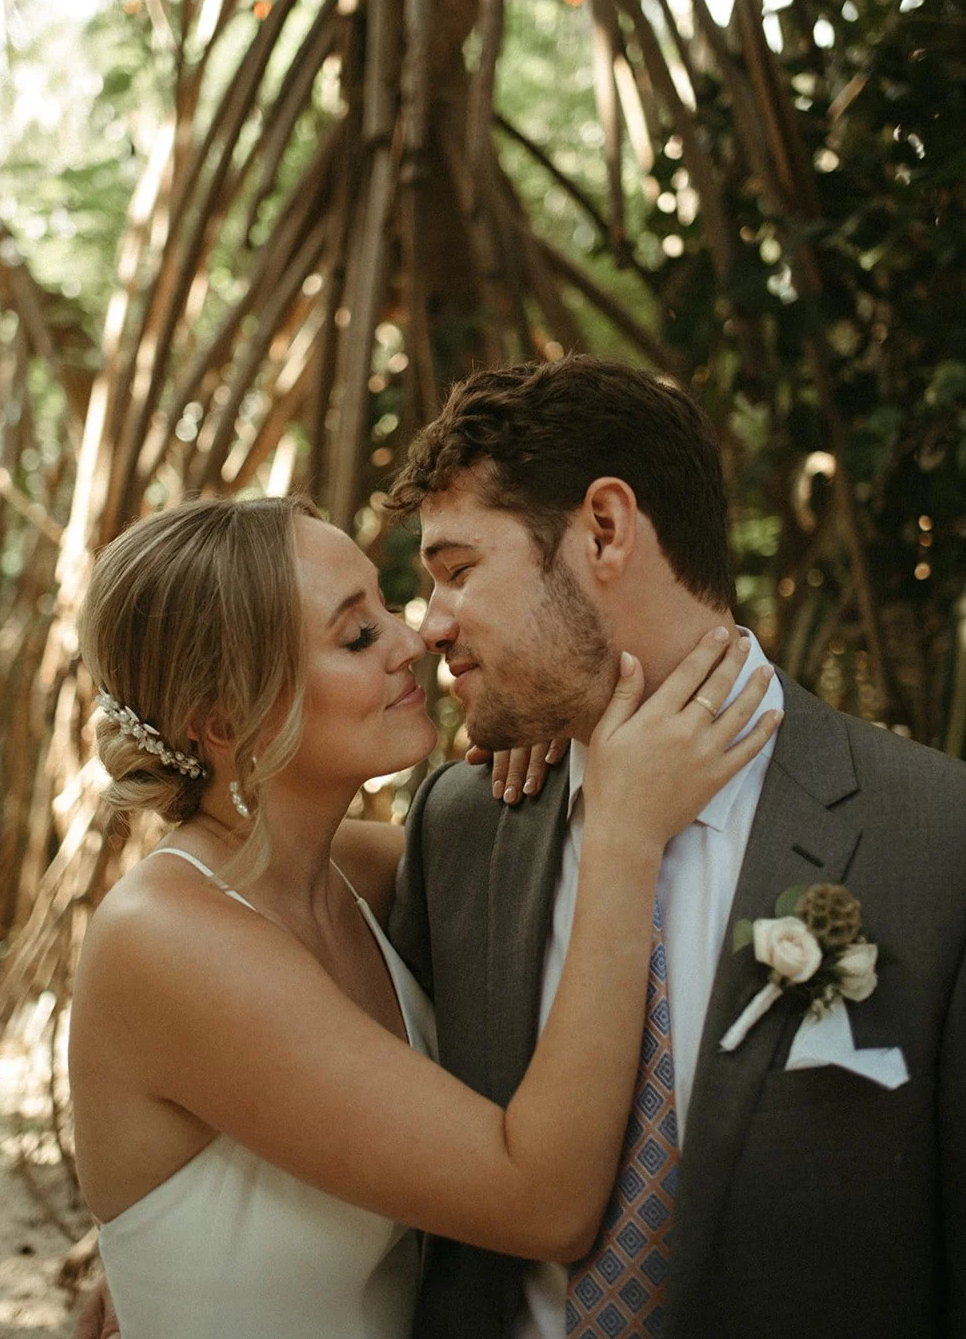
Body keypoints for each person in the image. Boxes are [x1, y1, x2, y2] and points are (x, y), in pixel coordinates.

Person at [68, 491, 777, 1339]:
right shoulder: (165, 941)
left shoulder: (360, 875)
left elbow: (532, 890)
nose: (413, 640)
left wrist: (554, 720)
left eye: (385, 603)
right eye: (357, 635)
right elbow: (542, 1204)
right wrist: (622, 834)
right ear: (226, 720)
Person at [385, 354, 966, 1339]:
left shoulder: (936, 840)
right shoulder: (461, 825)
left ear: (603, 529)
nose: (429, 626)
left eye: (457, 570)